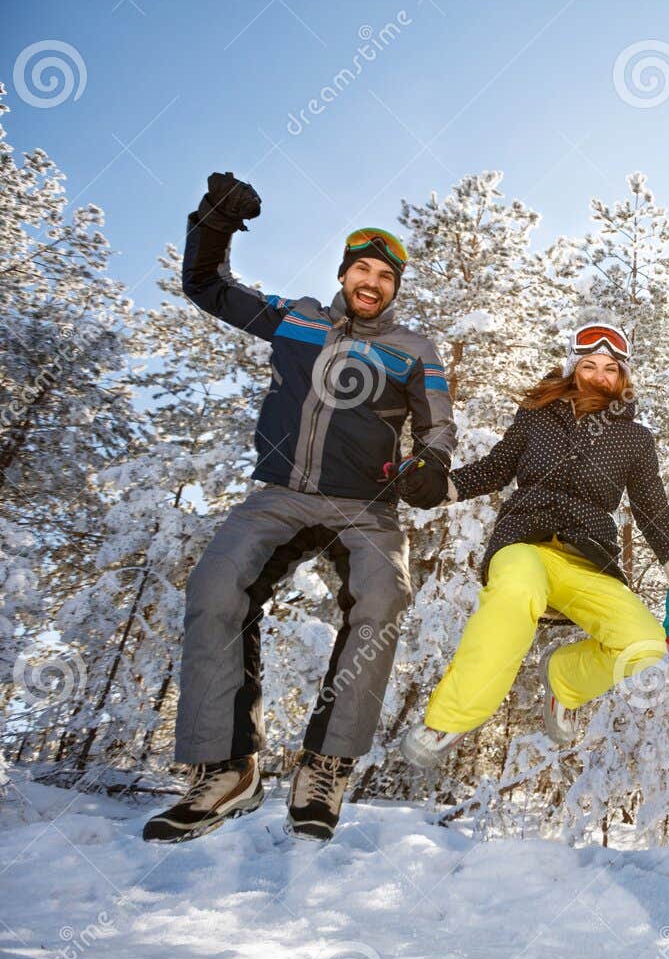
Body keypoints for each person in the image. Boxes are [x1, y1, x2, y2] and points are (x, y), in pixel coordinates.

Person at [144, 173, 456, 844]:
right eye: (361, 269)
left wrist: (430, 465)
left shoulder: (413, 351)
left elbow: (436, 429)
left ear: (397, 288)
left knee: (382, 597)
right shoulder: (298, 319)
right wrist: (214, 223)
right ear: (345, 274)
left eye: (384, 275)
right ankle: (227, 768)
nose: (371, 281)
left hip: (364, 506)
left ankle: (326, 764)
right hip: (281, 494)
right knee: (215, 583)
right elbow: (207, 286)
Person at [400, 321, 669, 766]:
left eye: (610, 368)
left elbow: (651, 510)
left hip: (587, 560)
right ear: (573, 368)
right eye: (589, 365)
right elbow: (495, 469)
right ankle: (449, 719)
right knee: (515, 593)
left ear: (622, 378)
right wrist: (441, 489)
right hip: (524, 542)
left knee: (643, 645)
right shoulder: (537, 417)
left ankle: (565, 680)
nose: (599, 376)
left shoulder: (635, 439)